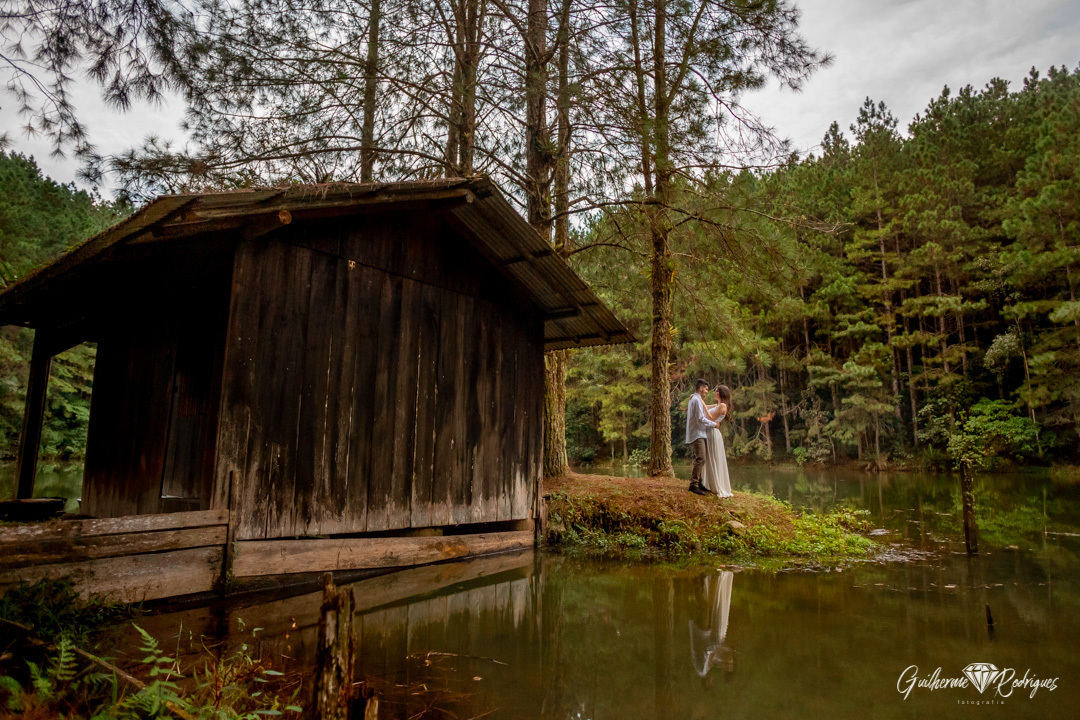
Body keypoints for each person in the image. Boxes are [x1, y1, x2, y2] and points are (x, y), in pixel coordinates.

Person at [686, 378, 717, 495]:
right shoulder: (696, 400)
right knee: (701, 458)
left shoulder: (696, 399)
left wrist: (716, 405)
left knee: (701, 458)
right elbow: (700, 418)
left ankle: (699, 483)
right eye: (706, 389)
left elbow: (704, 410)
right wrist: (714, 424)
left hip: (700, 433)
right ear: (701, 388)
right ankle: (693, 484)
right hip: (697, 433)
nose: (707, 392)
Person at [702, 385, 733, 498]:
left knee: (713, 457)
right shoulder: (718, 405)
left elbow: (711, 418)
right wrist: (698, 400)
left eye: (716, 391)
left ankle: (715, 485)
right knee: (708, 457)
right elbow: (705, 407)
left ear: (721, 393)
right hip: (708, 431)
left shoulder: (722, 406)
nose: (714, 393)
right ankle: (706, 483)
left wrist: (703, 406)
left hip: (713, 433)